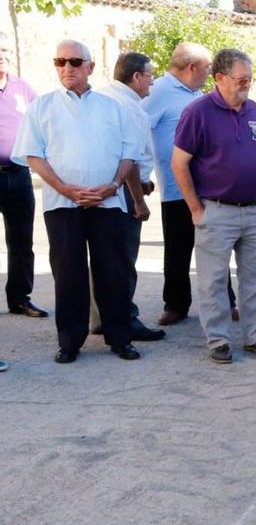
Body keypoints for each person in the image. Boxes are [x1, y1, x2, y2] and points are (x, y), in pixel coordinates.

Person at [11, 40, 140, 363]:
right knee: (68, 274)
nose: (67, 67)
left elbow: (129, 153)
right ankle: (70, 340)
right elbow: (33, 155)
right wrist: (65, 188)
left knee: (114, 271)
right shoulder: (42, 106)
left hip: (107, 201)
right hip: (63, 203)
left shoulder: (112, 107)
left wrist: (112, 186)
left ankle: (120, 337)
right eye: (60, 61)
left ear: (90, 67)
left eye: (75, 61)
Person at [172, 48, 256, 365]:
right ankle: (218, 341)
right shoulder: (198, 112)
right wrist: (195, 208)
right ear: (219, 78)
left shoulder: (253, 109)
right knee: (213, 280)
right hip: (217, 210)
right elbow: (179, 163)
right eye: (241, 79)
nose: (247, 84)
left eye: (250, 79)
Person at [143, 42, 226, 326]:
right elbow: (138, 129)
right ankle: (176, 305)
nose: (209, 73)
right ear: (192, 67)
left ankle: (226, 301)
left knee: (216, 246)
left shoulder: (198, 93)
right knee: (178, 250)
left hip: (209, 187)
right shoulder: (159, 93)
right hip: (177, 187)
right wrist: (143, 174)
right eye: (207, 68)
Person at [96, 52, 162, 343]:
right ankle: (125, 319)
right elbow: (131, 159)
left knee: (103, 257)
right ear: (136, 77)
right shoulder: (130, 106)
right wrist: (138, 200)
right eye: (150, 75)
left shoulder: (101, 97)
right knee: (123, 258)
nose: (152, 81)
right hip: (123, 188)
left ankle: (101, 317)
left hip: (102, 186)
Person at [0, 30, 46, 320]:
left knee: (21, 241)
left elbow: (42, 123)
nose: (1, 57)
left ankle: (20, 298)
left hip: (18, 175)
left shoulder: (22, 88)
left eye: (4, 51)